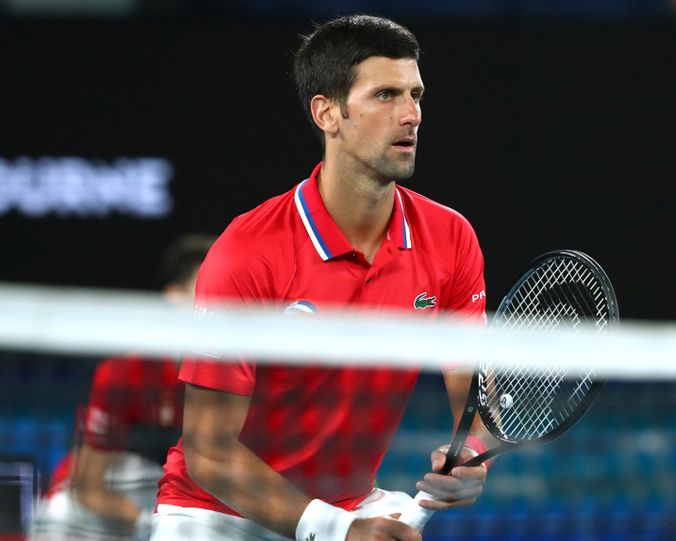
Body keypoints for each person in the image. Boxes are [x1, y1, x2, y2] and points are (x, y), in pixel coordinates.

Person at [152, 15, 491, 541]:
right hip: (217, 513)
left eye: (416, 94)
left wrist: (470, 456)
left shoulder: (451, 238)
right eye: (385, 95)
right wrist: (337, 530)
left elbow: (471, 393)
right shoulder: (249, 251)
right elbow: (208, 453)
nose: (411, 115)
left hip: (351, 503)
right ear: (327, 113)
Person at [28, 235, 215, 541]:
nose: (222, 298)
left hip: (187, 502)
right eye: (208, 286)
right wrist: (145, 521)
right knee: (60, 515)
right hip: (115, 501)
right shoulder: (125, 373)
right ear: (176, 297)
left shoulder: (249, 374)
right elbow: (89, 485)